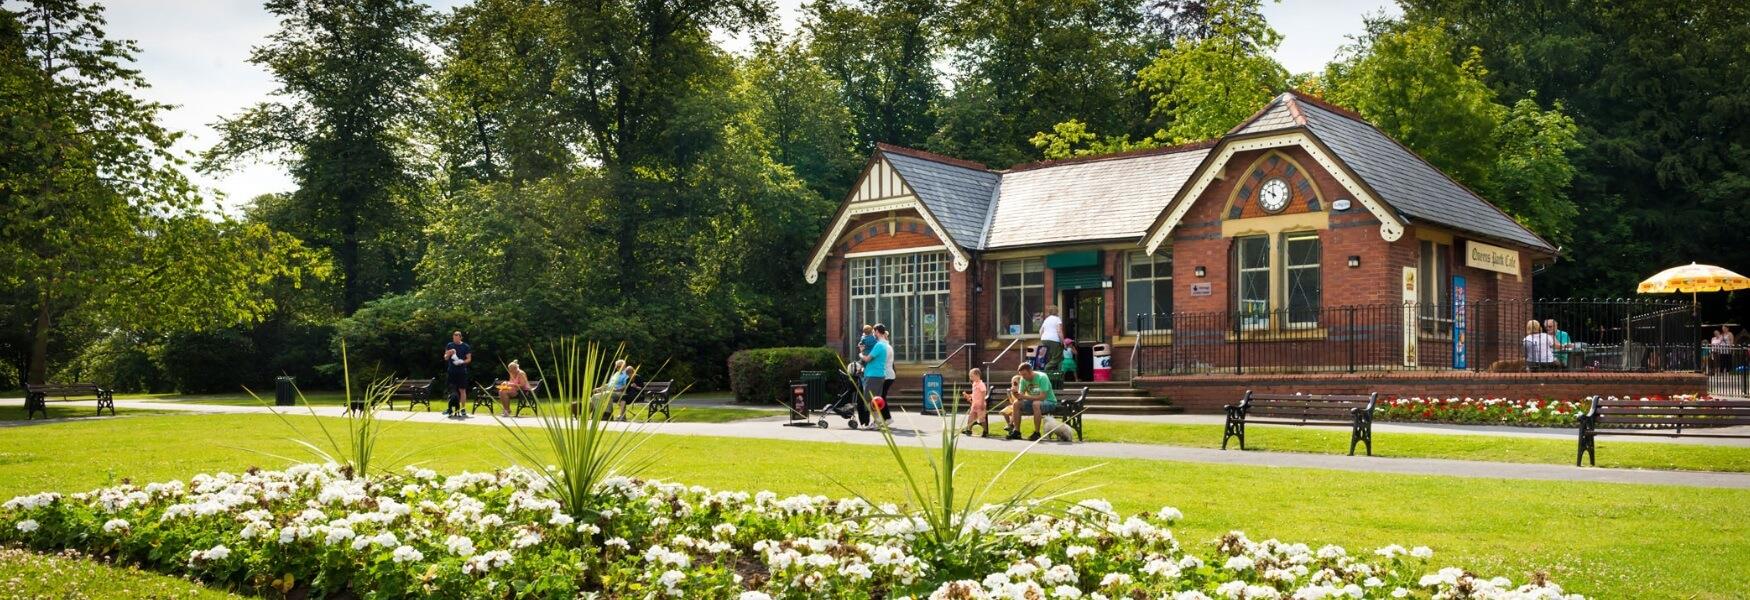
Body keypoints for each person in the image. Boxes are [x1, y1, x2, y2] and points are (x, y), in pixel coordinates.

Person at [1007, 362, 1056, 441]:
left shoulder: (1042, 377)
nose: (1023, 377)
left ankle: (1037, 433)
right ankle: (1016, 432)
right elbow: (1020, 398)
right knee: (1016, 403)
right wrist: (1014, 393)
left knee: (1036, 404)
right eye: (1021, 375)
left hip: (1049, 402)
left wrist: (1024, 396)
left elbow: (1042, 397)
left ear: (1031, 371)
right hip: (1033, 402)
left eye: (1024, 374)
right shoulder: (1023, 379)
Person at [858, 325, 892, 428]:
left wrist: (860, 353)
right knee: (875, 400)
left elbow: (867, 359)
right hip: (877, 375)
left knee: (869, 400)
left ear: (877, 332)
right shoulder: (881, 345)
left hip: (874, 375)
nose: (873, 334)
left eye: (874, 332)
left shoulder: (879, 345)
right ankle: (877, 422)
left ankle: (878, 421)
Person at [443, 331, 473, 419]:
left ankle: (463, 409)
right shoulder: (449, 345)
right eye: (454, 337)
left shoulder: (465, 346)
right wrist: (448, 354)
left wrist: (462, 361)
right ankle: (450, 409)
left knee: (462, 390)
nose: (455, 339)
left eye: (457, 337)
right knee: (451, 390)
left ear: (460, 337)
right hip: (451, 371)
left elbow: (469, 359)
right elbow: (445, 357)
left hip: (461, 371)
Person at [960, 367, 989, 437]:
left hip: (980, 404)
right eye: (970, 376)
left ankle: (985, 431)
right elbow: (975, 394)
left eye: (971, 376)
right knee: (971, 417)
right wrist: (968, 395)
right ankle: (969, 430)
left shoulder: (981, 384)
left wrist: (982, 403)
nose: (970, 378)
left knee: (982, 419)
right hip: (974, 404)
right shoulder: (974, 384)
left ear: (977, 375)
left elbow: (983, 393)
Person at [1039, 307, 1065, 371]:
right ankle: (1047, 368)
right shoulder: (1057, 319)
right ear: (1057, 312)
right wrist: (1063, 341)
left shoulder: (1046, 319)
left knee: (1049, 357)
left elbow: (1040, 331)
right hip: (1054, 340)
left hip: (1044, 339)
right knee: (1058, 357)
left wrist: (1043, 338)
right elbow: (1059, 331)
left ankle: (1050, 373)